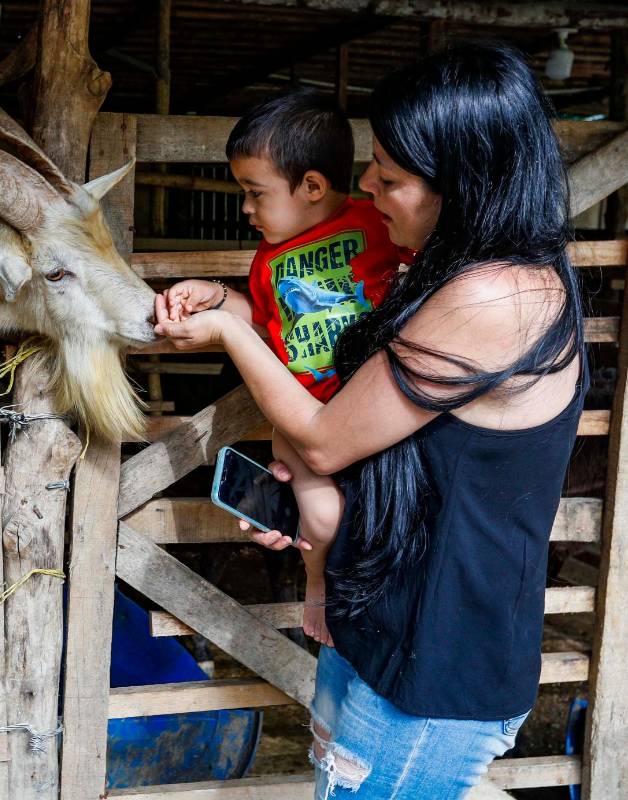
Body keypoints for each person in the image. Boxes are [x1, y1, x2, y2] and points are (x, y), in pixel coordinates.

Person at [154, 42, 586, 799]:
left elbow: (324, 434)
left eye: (389, 177)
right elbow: (385, 443)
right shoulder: (437, 267)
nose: (366, 187)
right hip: (382, 622)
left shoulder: (495, 297)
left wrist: (232, 332)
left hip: (435, 666)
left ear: (462, 185)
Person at [159, 89, 403, 646]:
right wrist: (217, 300)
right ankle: (316, 583)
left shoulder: (375, 225)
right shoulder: (268, 259)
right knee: (315, 510)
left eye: (254, 193)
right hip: (298, 410)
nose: (245, 208)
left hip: (367, 402)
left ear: (312, 187)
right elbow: (266, 320)